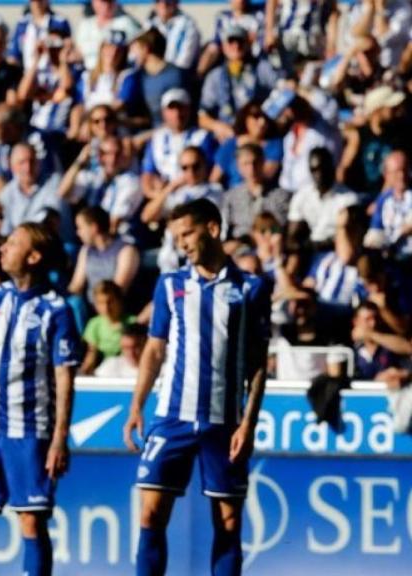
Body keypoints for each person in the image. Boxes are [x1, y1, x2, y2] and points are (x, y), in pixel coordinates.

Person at [123, 198, 271, 576]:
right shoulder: (170, 284)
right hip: (172, 416)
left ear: (213, 229)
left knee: (229, 523)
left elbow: (258, 363)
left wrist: (248, 423)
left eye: (187, 233)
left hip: (224, 422)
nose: (182, 243)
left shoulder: (250, 288)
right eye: (176, 237)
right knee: (151, 514)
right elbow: (155, 349)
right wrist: (137, 405)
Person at [0, 223, 78, 576]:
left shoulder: (57, 310)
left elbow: (64, 379)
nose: (3, 248)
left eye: (13, 243)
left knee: (31, 525)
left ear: (34, 257)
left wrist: (59, 440)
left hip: (30, 433)